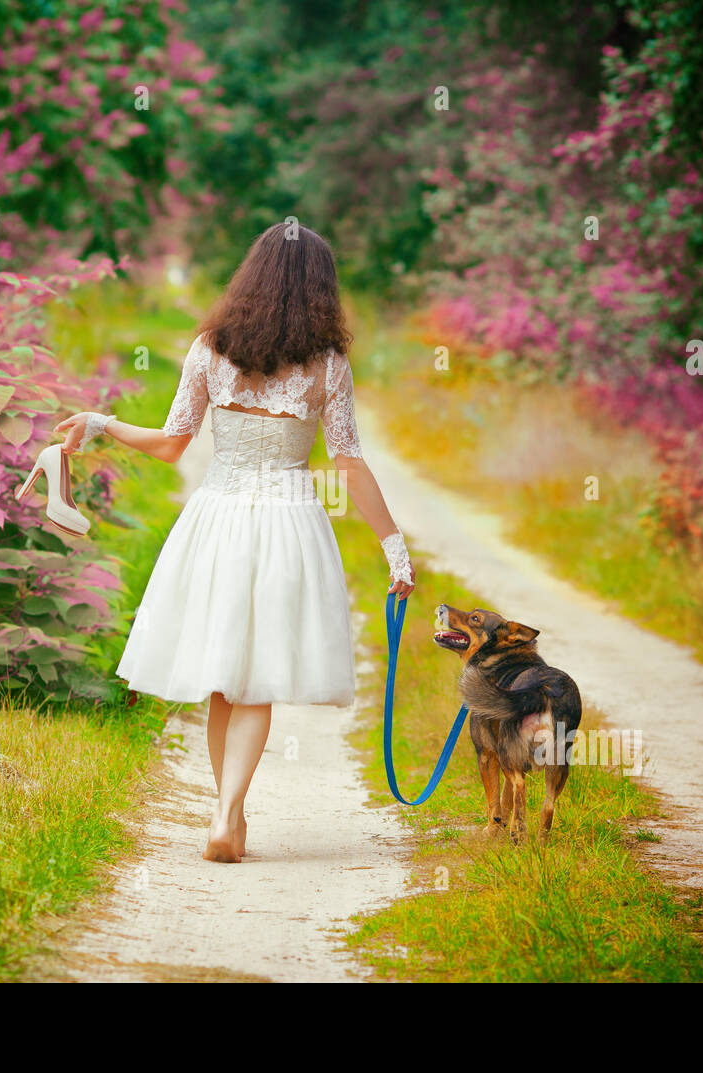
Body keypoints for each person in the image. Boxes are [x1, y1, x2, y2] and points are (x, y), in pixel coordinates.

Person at [55, 223, 416, 863]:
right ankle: (228, 812)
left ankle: (228, 814)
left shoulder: (210, 349)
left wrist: (102, 421)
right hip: (289, 523)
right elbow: (350, 465)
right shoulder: (328, 366)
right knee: (257, 681)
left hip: (217, 520)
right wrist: (394, 549)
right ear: (320, 290)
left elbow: (171, 445)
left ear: (250, 277)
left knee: (223, 678)